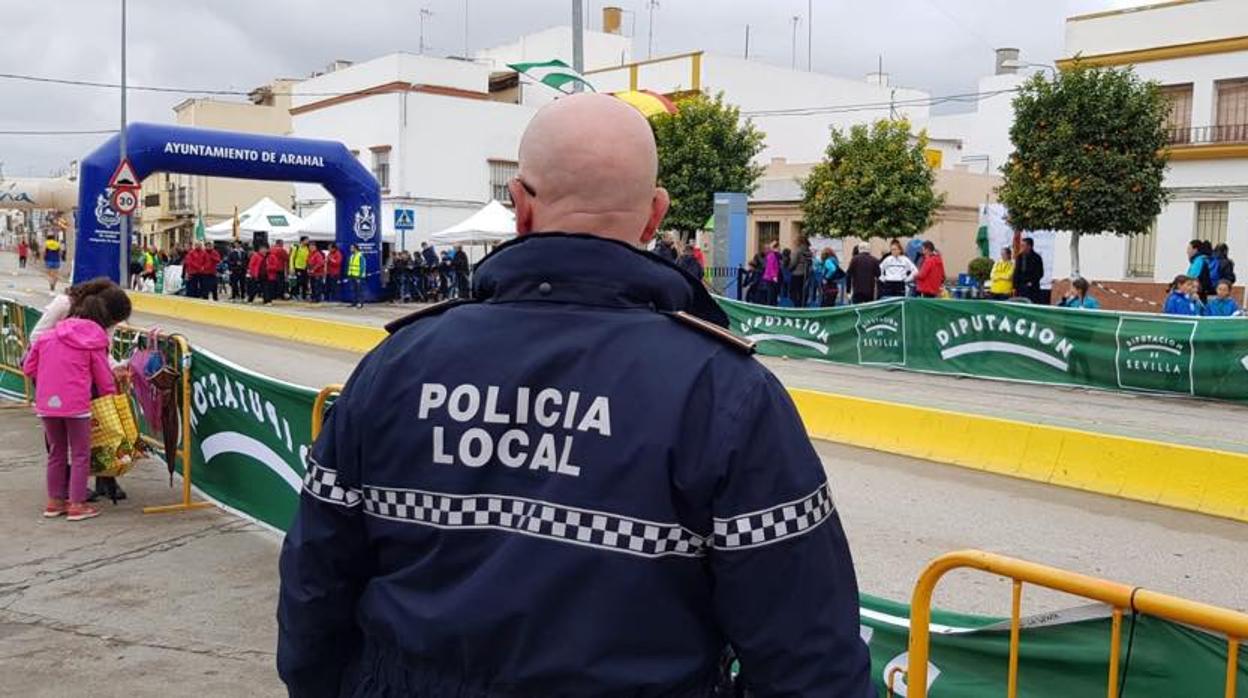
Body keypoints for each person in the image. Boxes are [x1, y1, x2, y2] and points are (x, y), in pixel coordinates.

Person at [277, 93, 872, 698]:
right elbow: (809, 656)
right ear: (654, 215)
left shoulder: (396, 365)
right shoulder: (725, 391)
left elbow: (314, 592)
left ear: (520, 207)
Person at [23, 280, 131, 522]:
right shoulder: (92, 338)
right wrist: (111, 396)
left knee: (56, 452)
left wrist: (50, 378)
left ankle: (54, 503)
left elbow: (29, 365)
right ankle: (77, 504)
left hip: (47, 402)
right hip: (77, 404)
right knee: (81, 453)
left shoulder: (49, 337)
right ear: (101, 313)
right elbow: (103, 376)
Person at [1013, 236, 1046, 305]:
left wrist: (1031, 282)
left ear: (1029, 246)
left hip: (1032, 288)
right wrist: (1015, 285)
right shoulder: (1020, 257)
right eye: (1021, 245)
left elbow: (1040, 273)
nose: (1021, 247)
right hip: (1020, 287)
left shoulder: (1037, 257)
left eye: (1023, 245)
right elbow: (1016, 272)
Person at [790, 237, 813, 308]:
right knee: (803, 292)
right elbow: (810, 262)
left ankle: (797, 306)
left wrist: (789, 268)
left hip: (797, 273)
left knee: (793, 292)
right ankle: (802, 305)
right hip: (806, 273)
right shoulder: (808, 251)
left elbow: (793, 262)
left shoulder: (798, 250)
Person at [762, 240, 782, 305]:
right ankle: (770, 307)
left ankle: (773, 305)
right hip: (770, 278)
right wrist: (774, 276)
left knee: (773, 294)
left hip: (772, 277)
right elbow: (771, 266)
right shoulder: (771, 255)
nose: (779, 248)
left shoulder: (775, 255)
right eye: (778, 247)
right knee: (771, 294)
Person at [345, 243, 365, 308]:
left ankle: (360, 303)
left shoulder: (360, 256)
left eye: (352, 248)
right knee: (353, 290)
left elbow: (362, 267)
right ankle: (354, 302)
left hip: (358, 276)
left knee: (359, 290)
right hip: (352, 275)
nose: (351, 249)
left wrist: (359, 276)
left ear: (355, 248)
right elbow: (350, 266)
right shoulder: (352, 256)